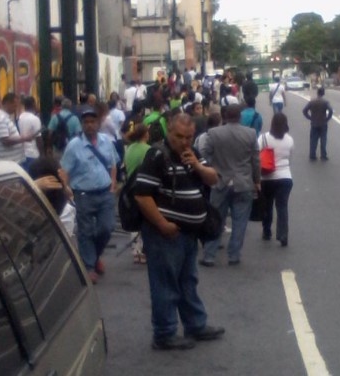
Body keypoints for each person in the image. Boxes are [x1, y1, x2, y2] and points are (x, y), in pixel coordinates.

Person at [133, 113, 224, 350]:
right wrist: (163, 224)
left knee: (187, 281)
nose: (184, 141)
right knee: (165, 283)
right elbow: (142, 195)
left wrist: (196, 165)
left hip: (187, 233)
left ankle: (195, 324)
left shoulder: (191, 153)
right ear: (168, 133)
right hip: (164, 234)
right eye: (179, 137)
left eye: (189, 137)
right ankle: (164, 333)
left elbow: (213, 179)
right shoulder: (156, 155)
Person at [60, 108, 119, 284]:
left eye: (92, 121)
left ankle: (93, 256)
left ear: (98, 123)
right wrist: (66, 188)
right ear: (82, 124)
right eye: (86, 122)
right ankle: (89, 267)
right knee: (85, 232)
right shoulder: (74, 146)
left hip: (105, 192)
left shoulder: (106, 142)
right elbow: (64, 171)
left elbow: (113, 164)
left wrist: (113, 183)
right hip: (83, 194)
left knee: (106, 228)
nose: (89, 125)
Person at [200, 104, 260, 266]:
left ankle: (209, 256)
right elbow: (255, 161)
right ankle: (234, 255)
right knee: (240, 221)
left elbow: (204, 154)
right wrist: (257, 181)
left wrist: (213, 168)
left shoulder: (214, 133)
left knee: (215, 219)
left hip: (220, 181)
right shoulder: (250, 134)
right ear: (239, 117)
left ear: (224, 117)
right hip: (243, 182)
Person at [257, 113, 294, 246]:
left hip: (267, 177)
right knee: (282, 207)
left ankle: (267, 231)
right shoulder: (289, 139)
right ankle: (283, 235)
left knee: (267, 205)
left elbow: (256, 157)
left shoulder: (263, 138)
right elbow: (289, 157)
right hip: (285, 177)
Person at [123, 124, 151, 264]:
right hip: (143, 186)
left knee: (134, 217)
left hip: (130, 186)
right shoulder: (148, 149)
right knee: (146, 218)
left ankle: (135, 251)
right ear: (145, 135)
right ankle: (144, 250)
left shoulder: (129, 149)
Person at [0, 93, 35, 164]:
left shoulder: (6, 117)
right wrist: (25, 138)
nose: (15, 109)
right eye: (14, 106)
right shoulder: (1, 119)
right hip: (9, 163)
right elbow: (5, 140)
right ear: (7, 103)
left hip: (14, 160)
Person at [302, 87, 334, 161]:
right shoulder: (325, 102)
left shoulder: (312, 102)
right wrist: (327, 118)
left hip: (314, 123)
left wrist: (310, 117)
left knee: (313, 139)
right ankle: (323, 155)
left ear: (317, 93)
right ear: (323, 93)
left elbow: (304, 110)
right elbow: (331, 110)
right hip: (323, 123)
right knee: (323, 139)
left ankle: (312, 155)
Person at [18, 96, 43, 169]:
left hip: (23, 154)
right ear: (33, 104)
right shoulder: (35, 119)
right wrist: (42, 155)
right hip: (33, 153)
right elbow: (38, 139)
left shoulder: (20, 117)